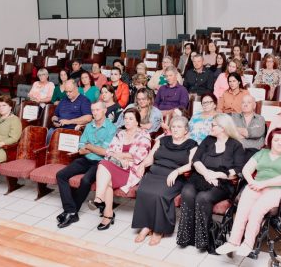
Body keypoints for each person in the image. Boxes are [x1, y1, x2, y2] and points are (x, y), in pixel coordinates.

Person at [176, 113, 245, 253]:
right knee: (187, 192)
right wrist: (207, 174)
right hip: (202, 175)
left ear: (223, 128)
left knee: (203, 197)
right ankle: (187, 237)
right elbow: (196, 160)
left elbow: (238, 170)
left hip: (223, 181)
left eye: (213, 125)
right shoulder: (208, 140)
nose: (210, 127)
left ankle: (203, 239)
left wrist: (217, 174)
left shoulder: (235, 145)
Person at [216, 127, 281, 257]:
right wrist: (252, 182)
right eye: (277, 140)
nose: (280, 143)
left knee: (257, 210)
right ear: (271, 140)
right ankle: (233, 242)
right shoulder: (261, 153)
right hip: (255, 185)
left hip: (277, 190)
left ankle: (248, 244)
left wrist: (262, 184)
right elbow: (247, 169)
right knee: (242, 210)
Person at [132, 116, 197, 246]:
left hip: (174, 176)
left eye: (179, 127)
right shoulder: (162, 140)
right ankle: (146, 226)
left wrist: (177, 171)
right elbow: (150, 158)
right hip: (155, 172)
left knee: (160, 195)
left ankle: (158, 230)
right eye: (173, 127)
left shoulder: (192, 144)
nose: (175, 129)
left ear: (186, 130)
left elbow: (191, 164)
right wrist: (142, 165)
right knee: (143, 191)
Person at [88, 108, 151, 230]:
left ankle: (100, 202)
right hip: (117, 166)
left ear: (137, 121)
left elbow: (139, 156)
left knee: (104, 168)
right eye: (125, 118)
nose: (127, 121)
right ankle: (106, 211)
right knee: (104, 166)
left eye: (131, 119)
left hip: (131, 170)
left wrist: (120, 156)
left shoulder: (144, 135)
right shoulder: (120, 133)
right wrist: (122, 158)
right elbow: (109, 152)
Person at [56, 101, 117, 228]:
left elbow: (104, 152)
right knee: (61, 175)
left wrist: (88, 146)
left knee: (85, 180)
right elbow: (80, 146)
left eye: (97, 110)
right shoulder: (89, 126)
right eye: (93, 110)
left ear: (104, 110)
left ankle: (72, 211)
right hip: (85, 159)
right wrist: (90, 148)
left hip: (101, 163)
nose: (95, 113)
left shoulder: (111, 128)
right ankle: (71, 210)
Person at [231, 95, 265, 162]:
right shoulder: (234, 117)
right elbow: (229, 131)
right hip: (236, 149)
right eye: (243, 102)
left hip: (254, 151)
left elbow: (255, 133)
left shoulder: (260, 119)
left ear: (254, 106)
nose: (245, 105)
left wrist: (236, 130)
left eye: (249, 102)